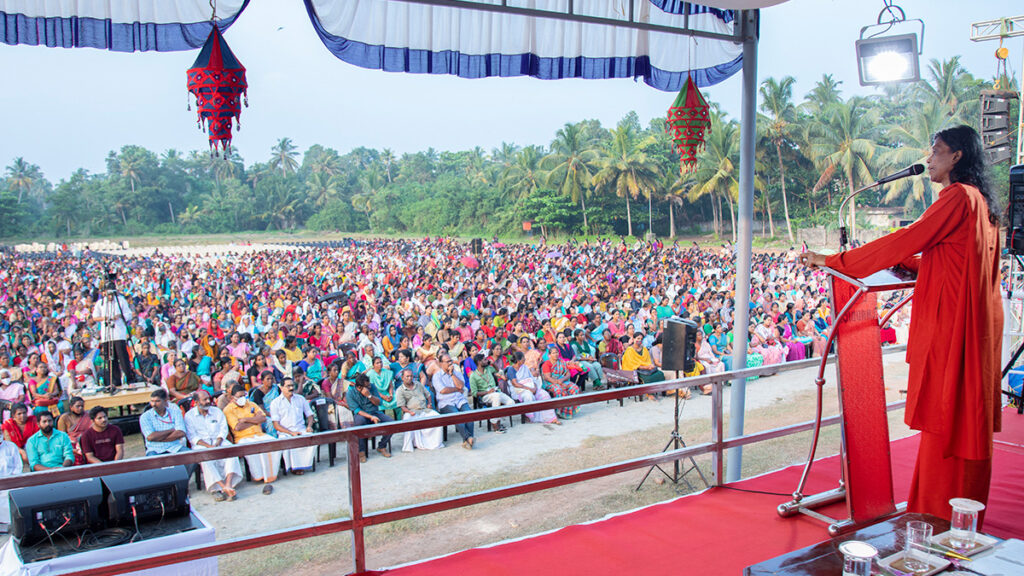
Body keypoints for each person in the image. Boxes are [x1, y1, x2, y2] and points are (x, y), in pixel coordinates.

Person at [801, 125, 1002, 524]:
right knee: (963, 418)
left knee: (948, 418)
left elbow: (908, 238)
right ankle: (962, 510)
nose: (929, 159)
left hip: (954, 329)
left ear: (957, 156)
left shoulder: (957, 197)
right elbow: (951, 260)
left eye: (936, 151)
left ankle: (939, 514)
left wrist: (835, 261)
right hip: (975, 327)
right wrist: (907, 263)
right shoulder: (981, 202)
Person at [184, 389, 242, 501]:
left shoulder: (216, 411)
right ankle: (219, 488)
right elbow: (192, 437)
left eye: (208, 399)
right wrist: (209, 447)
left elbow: (223, 429)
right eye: (204, 400)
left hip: (218, 441)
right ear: (196, 402)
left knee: (230, 451)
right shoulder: (189, 416)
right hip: (202, 444)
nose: (208, 401)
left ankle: (228, 484)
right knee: (205, 458)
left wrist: (218, 442)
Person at [224, 384, 281, 495]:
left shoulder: (251, 404)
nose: (242, 399)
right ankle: (259, 476)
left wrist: (245, 419)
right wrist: (255, 420)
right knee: (254, 448)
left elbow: (263, 418)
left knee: (274, 443)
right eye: (239, 397)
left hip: (259, 434)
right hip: (243, 437)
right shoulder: (228, 409)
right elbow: (237, 427)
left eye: (244, 395)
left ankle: (271, 475)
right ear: (233, 398)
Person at [92, 278, 135, 388]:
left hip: (119, 333)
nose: (110, 296)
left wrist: (120, 316)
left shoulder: (120, 301)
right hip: (107, 334)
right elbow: (95, 317)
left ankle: (130, 380)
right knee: (110, 359)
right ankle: (114, 382)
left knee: (123, 357)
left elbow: (129, 314)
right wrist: (104, 318)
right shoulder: (100, 303)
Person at [269, 377, 317, 474]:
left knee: (311, 438)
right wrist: (291, 432)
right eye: (288, 386)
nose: (291, 388)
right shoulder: (275, 403)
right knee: (292, 441)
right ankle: (295, 468)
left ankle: (304, 465)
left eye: (292, 385)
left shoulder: (300, 399)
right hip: (285, 432)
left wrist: (309, 426)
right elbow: (276, 425)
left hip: (301, 429)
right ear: (281, 387)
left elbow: (310, 415)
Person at [345, 374, 394, 462]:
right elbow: (357, 410)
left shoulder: (372, 387)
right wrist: (371, 417)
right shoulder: (350, 393)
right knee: (359, 423)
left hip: (375, 412)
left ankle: (382, 446)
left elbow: (379, 403)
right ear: (360, 387)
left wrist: (369, 396)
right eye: (367, 386)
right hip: (362, 414)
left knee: (391, 423)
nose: (369, 386)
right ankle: (361, 451)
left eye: (369, 385)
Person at [431, 353, 475, 449]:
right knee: (458, 417)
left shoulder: (457, 373)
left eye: (451, 361)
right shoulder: (437, 376)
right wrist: (456, 389)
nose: (450, 363)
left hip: (459, 400)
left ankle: (466, 441)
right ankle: (469, 438)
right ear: (440, 363)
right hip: (446, 403)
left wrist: (452, 374)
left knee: (470, 415)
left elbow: (461, 386)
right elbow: (443, 390)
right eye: (447, 362)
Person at [394, 368, 443, 452]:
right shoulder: (400, 390)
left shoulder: (418, 384)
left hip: (424, 410)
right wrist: (409, 412)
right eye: (407, 376)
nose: (410, 378)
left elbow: (428, 395)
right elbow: (402, 406)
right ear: (402, 378)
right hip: (411, 411)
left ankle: (434, 443)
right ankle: (408, 446)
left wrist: (429, 404)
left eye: (411, 376)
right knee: (407, 419)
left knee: (437, 417)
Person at [469, 354, 514, 433]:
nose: (487, 360)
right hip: (485, 396)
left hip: (496, 392)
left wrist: (493, 364)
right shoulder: (473, 376)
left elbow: (499, 371)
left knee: (511, 403)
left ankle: (496, 419)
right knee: (496, 397)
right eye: (485, 359)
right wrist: (487, 392)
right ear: (479, 362)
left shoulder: (489, 369)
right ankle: (495, 425)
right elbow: (474, 393)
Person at [139, 388, 188, 456]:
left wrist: (159, 438)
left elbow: (181, 432)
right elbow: (150, 437)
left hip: (175, 447)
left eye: (157, 401)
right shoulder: (145, 416)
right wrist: (171, 430)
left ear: (165, 401)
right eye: (152, 401)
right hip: (154, 449)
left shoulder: (175, 412)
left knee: (192, 460)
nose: (154, 404)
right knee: (153, 463)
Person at [56, 396, 91, 465]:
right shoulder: (64, 418)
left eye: (82, 406)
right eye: (78, 406)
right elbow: (61, 436)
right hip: (70, 443)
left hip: (86, 440)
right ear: (71, 407)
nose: (80, 408)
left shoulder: (88, 416)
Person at [0, 433, 23, 531]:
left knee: (17, 493)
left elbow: (18, 467)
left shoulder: (11, 446)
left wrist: (8, 483)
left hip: (10, 483)